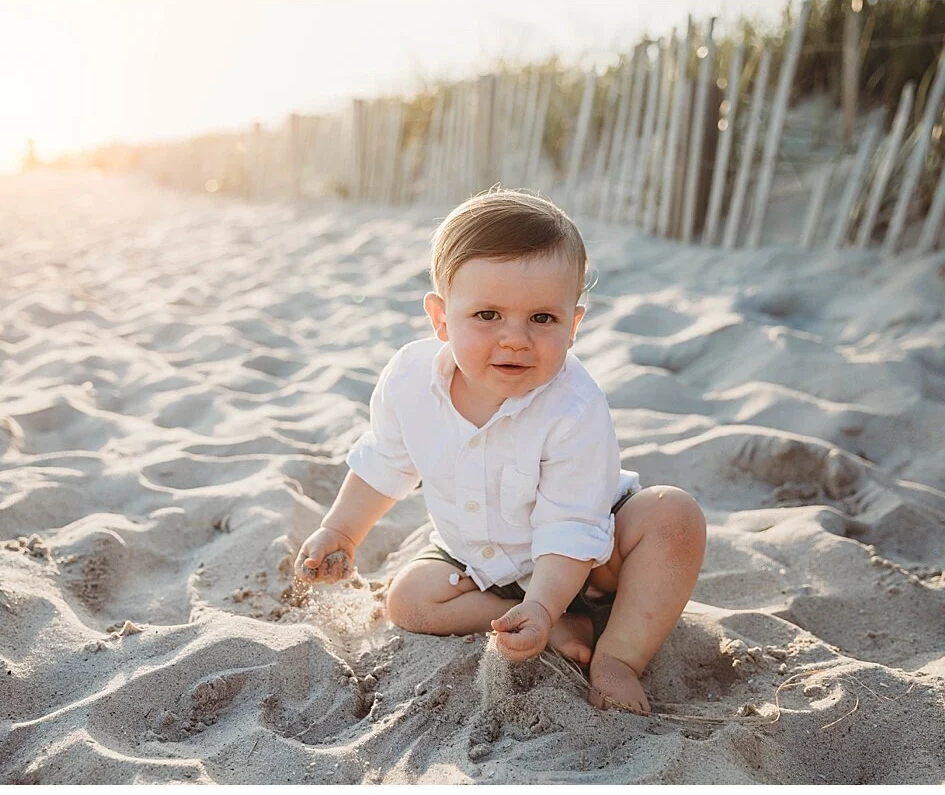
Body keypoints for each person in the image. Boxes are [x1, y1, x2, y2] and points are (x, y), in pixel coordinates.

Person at [294, 188, 707, 716]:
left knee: (674, 516)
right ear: (442, 320)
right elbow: (385, 461)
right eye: (488, 315)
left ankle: (620, 655)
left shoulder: (573, 407)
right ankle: (546, 621)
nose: (515, 339)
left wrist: (546, 597)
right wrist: (342, 531)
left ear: (573, 326)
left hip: (591, 555)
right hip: (482, 562)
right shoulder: (410, 382)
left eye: (542, 319)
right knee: (408, 600)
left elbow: (571, 521)